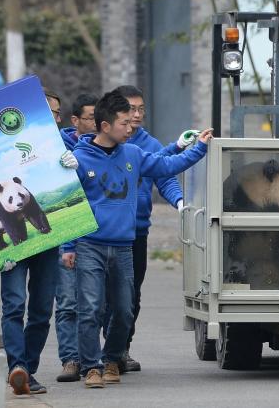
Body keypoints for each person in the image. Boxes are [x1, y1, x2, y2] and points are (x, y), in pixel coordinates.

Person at [61, 91, 212, 388]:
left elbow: (167, 166)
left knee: (124, 308)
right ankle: (91, 366)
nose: (131, 129)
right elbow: (69, 206)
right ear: (105, 126)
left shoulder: (134, 154)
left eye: (131, 122)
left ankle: (113, 357)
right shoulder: (78, 160)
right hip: (89, 245)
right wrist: (68, 247)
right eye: (124, 124)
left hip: (124, 246)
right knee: (89, 308)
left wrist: (200, 148)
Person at [111, 84, 199, 372]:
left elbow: (165, 174)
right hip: (101, 232)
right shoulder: (101, 141)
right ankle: (93, 354)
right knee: (97, 298)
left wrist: (180, 201)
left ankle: (121, 350)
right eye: (130, 109)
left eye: (140, 109)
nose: (136, 115)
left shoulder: (149, 145)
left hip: (136, 231)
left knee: (131, 295)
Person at [3, 92, 78, 396]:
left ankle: (27, 370)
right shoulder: (7, 144)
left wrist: (74, 165)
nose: (55, 119)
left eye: (57, 113)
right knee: (13, 304)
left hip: (49, 238)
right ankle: (16, 367)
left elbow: (88, 171)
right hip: (11, 242)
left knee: (41, 309)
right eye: (49, 112)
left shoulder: (65, 144)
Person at [54, 93, 99, 383]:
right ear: (75, 120)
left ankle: (99, 359)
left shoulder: (109, 148)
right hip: (67, 233)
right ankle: (70, 359)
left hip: (98, 236)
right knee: (68, 301)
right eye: (90, 118)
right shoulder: (55, 147)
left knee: (97, 304)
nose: (96, 124)